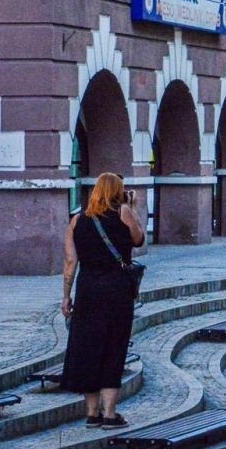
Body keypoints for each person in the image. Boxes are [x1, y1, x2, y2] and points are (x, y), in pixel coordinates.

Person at [61, 173, 145, 427]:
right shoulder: (123, 213)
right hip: (117, 291)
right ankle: (109, 414)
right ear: (118, 191)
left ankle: (91, 413)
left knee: (88, 347)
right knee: (113, 346)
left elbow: (69, 262)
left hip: (87, 291)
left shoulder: (77, 221)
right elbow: (139, 239)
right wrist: (133, 208)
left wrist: (66, 296)